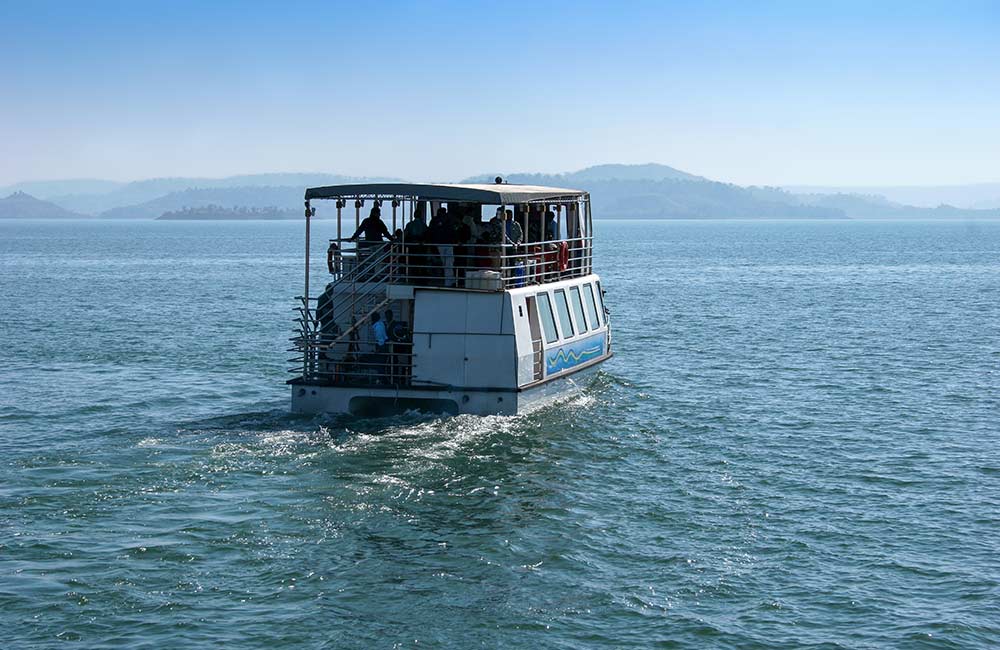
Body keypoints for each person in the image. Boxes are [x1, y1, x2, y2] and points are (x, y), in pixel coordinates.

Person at [427, 206, 457, 287]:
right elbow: (453, 231)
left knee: (446, 263)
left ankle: (450, 280)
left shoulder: (434, 220)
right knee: (448, 262)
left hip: (440, 243)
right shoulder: (449, 220)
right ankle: (450, 280)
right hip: (448, 244)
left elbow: (430, 231)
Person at [370, 312, 389, 383]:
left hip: (382, 347)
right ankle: (382, 379)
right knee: (381, 364)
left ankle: (381, 380)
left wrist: (378, 350)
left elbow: (381, 340)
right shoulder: (380, 324)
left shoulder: (378, 327)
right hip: (382, 346)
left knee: (380, 363)